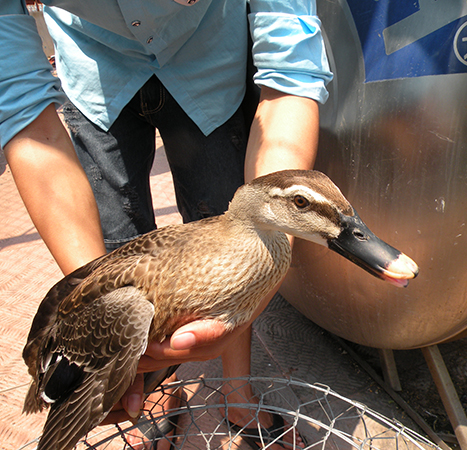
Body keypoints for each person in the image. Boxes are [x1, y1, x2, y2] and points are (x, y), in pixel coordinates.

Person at [0, 0, 332, 448]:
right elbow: (24, 111)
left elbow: (291, 75)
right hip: (95, 67)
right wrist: (108, 325)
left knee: (236, 236)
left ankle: (238, 395)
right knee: (119, 254)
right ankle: (147, 399)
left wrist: (265, 257)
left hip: (209, 65)